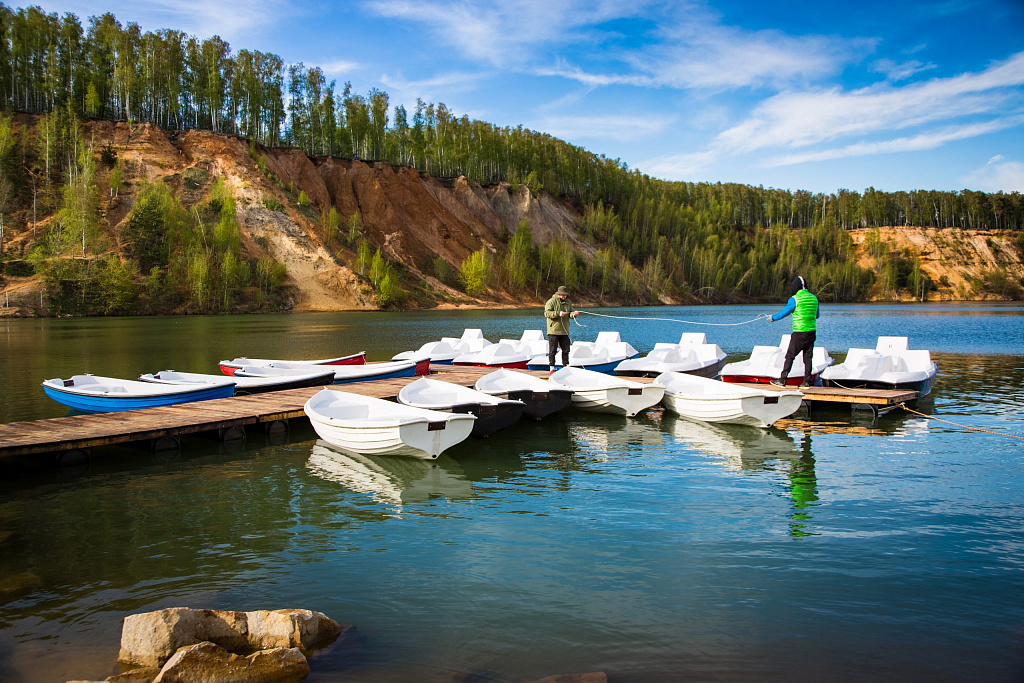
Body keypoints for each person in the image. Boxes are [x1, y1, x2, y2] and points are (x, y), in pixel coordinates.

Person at [769, 275, 820, 387]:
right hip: (811, 332)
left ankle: (782, 380)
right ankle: (807, 381)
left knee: (790, 356)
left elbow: (784, 313)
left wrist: (773, 318)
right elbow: (817, 315)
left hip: (799, 332)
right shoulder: (814, 298)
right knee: (807, 357)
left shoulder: (795, 299)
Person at [544, 285, 579, 375]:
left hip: (564, 331)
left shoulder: (568, 302)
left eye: (565, 295)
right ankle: (552, 368)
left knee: (566, 350)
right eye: (563, 295)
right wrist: (557, 313)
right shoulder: (551, 302)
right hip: (553, 331)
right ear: (558, 294)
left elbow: (570, 313)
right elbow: (546, 313)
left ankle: (565, 366)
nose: (564, 296)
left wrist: (574, 314)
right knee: (552, 351)